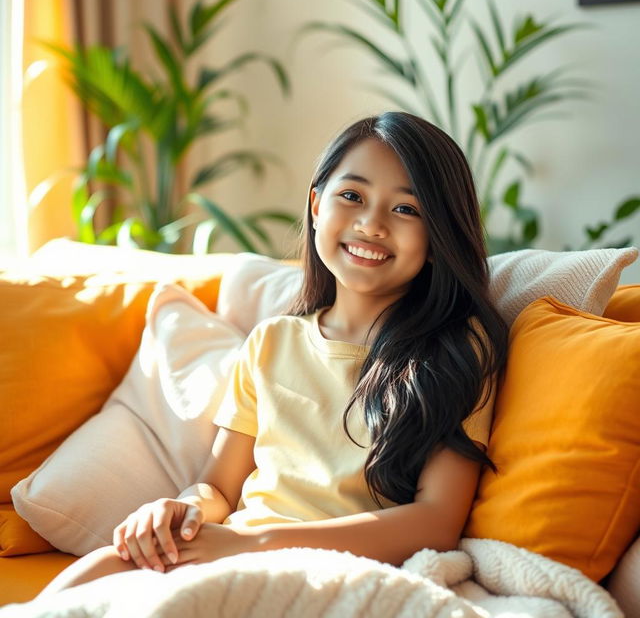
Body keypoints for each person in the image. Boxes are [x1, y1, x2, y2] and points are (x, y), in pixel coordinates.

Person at [39, 111, 509, 596]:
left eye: (406, 209)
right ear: (316, 205)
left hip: (332, 571)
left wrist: (256, 542)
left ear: (437, 238)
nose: (372, 224)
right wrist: (181, 510)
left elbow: (436, 524)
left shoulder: (455, 350)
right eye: (352, 196)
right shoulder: (272, 342)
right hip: (236, 552)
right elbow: (219, 488)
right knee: (93, 574)